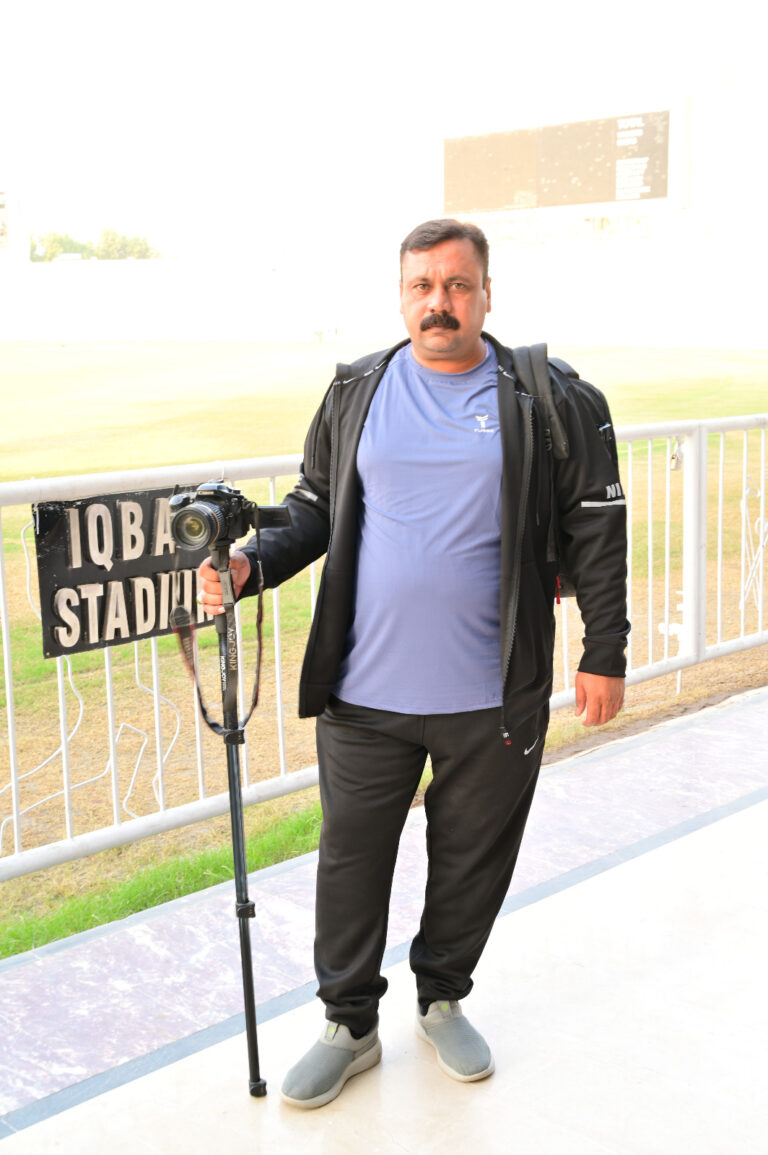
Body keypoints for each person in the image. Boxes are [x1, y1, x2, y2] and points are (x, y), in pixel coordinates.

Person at [198, 218, 629, 1109]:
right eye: (423, 286)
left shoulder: (544, 396)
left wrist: (606, 649)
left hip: (493, 694)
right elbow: (313, 507)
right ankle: (348, 1024)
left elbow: (595, 525)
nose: (440, 302)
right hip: (365, 692)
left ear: (486, 294)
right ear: (401, 296)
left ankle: (442, 998)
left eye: (457, 285)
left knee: (471, 859)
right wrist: (248, 567)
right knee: (351, 861)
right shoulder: (357, 388)